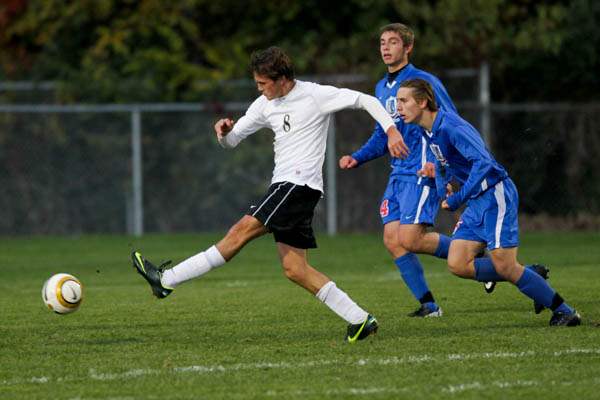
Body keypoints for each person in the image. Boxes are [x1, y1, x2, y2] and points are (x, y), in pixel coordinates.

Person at [131, 46, 410, 343]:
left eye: (263, 84)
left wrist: (392, 131)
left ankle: (166, 281)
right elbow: (233, 141)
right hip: (290, 188)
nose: (260, 89)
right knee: (295, 269)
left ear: (282, 79)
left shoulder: (314, 95)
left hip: (297, 186)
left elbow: (365, 99)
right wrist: (224, 133)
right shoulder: (264, 104)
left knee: (238, 233)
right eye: (257, 84)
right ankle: (360, 319)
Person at [395, 78, 581, 326]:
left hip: (495, 194)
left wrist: (459, 197)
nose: (398, 107)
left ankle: (565, 311)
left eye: (403, 101)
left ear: (422, 101)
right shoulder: (427, 131)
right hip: (477, 202)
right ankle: (529, 273)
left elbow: (484, 163)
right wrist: (442, 185)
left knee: (505, 265)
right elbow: (442, 165)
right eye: (397, 101)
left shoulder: (451, 127)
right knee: (458, 263)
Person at [339, 23, 460, 317]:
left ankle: (476, 254)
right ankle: (429, 306)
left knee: (409, 239)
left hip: (422, 171)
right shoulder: (382, 88)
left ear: (408, 48)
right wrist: (358, 157)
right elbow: (383, 135)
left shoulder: (423, 81)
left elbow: (451, 123)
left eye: (393, 42)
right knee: (393, 240)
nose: (385, 47)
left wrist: (445, 167)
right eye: (382, 42)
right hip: (398, 174)